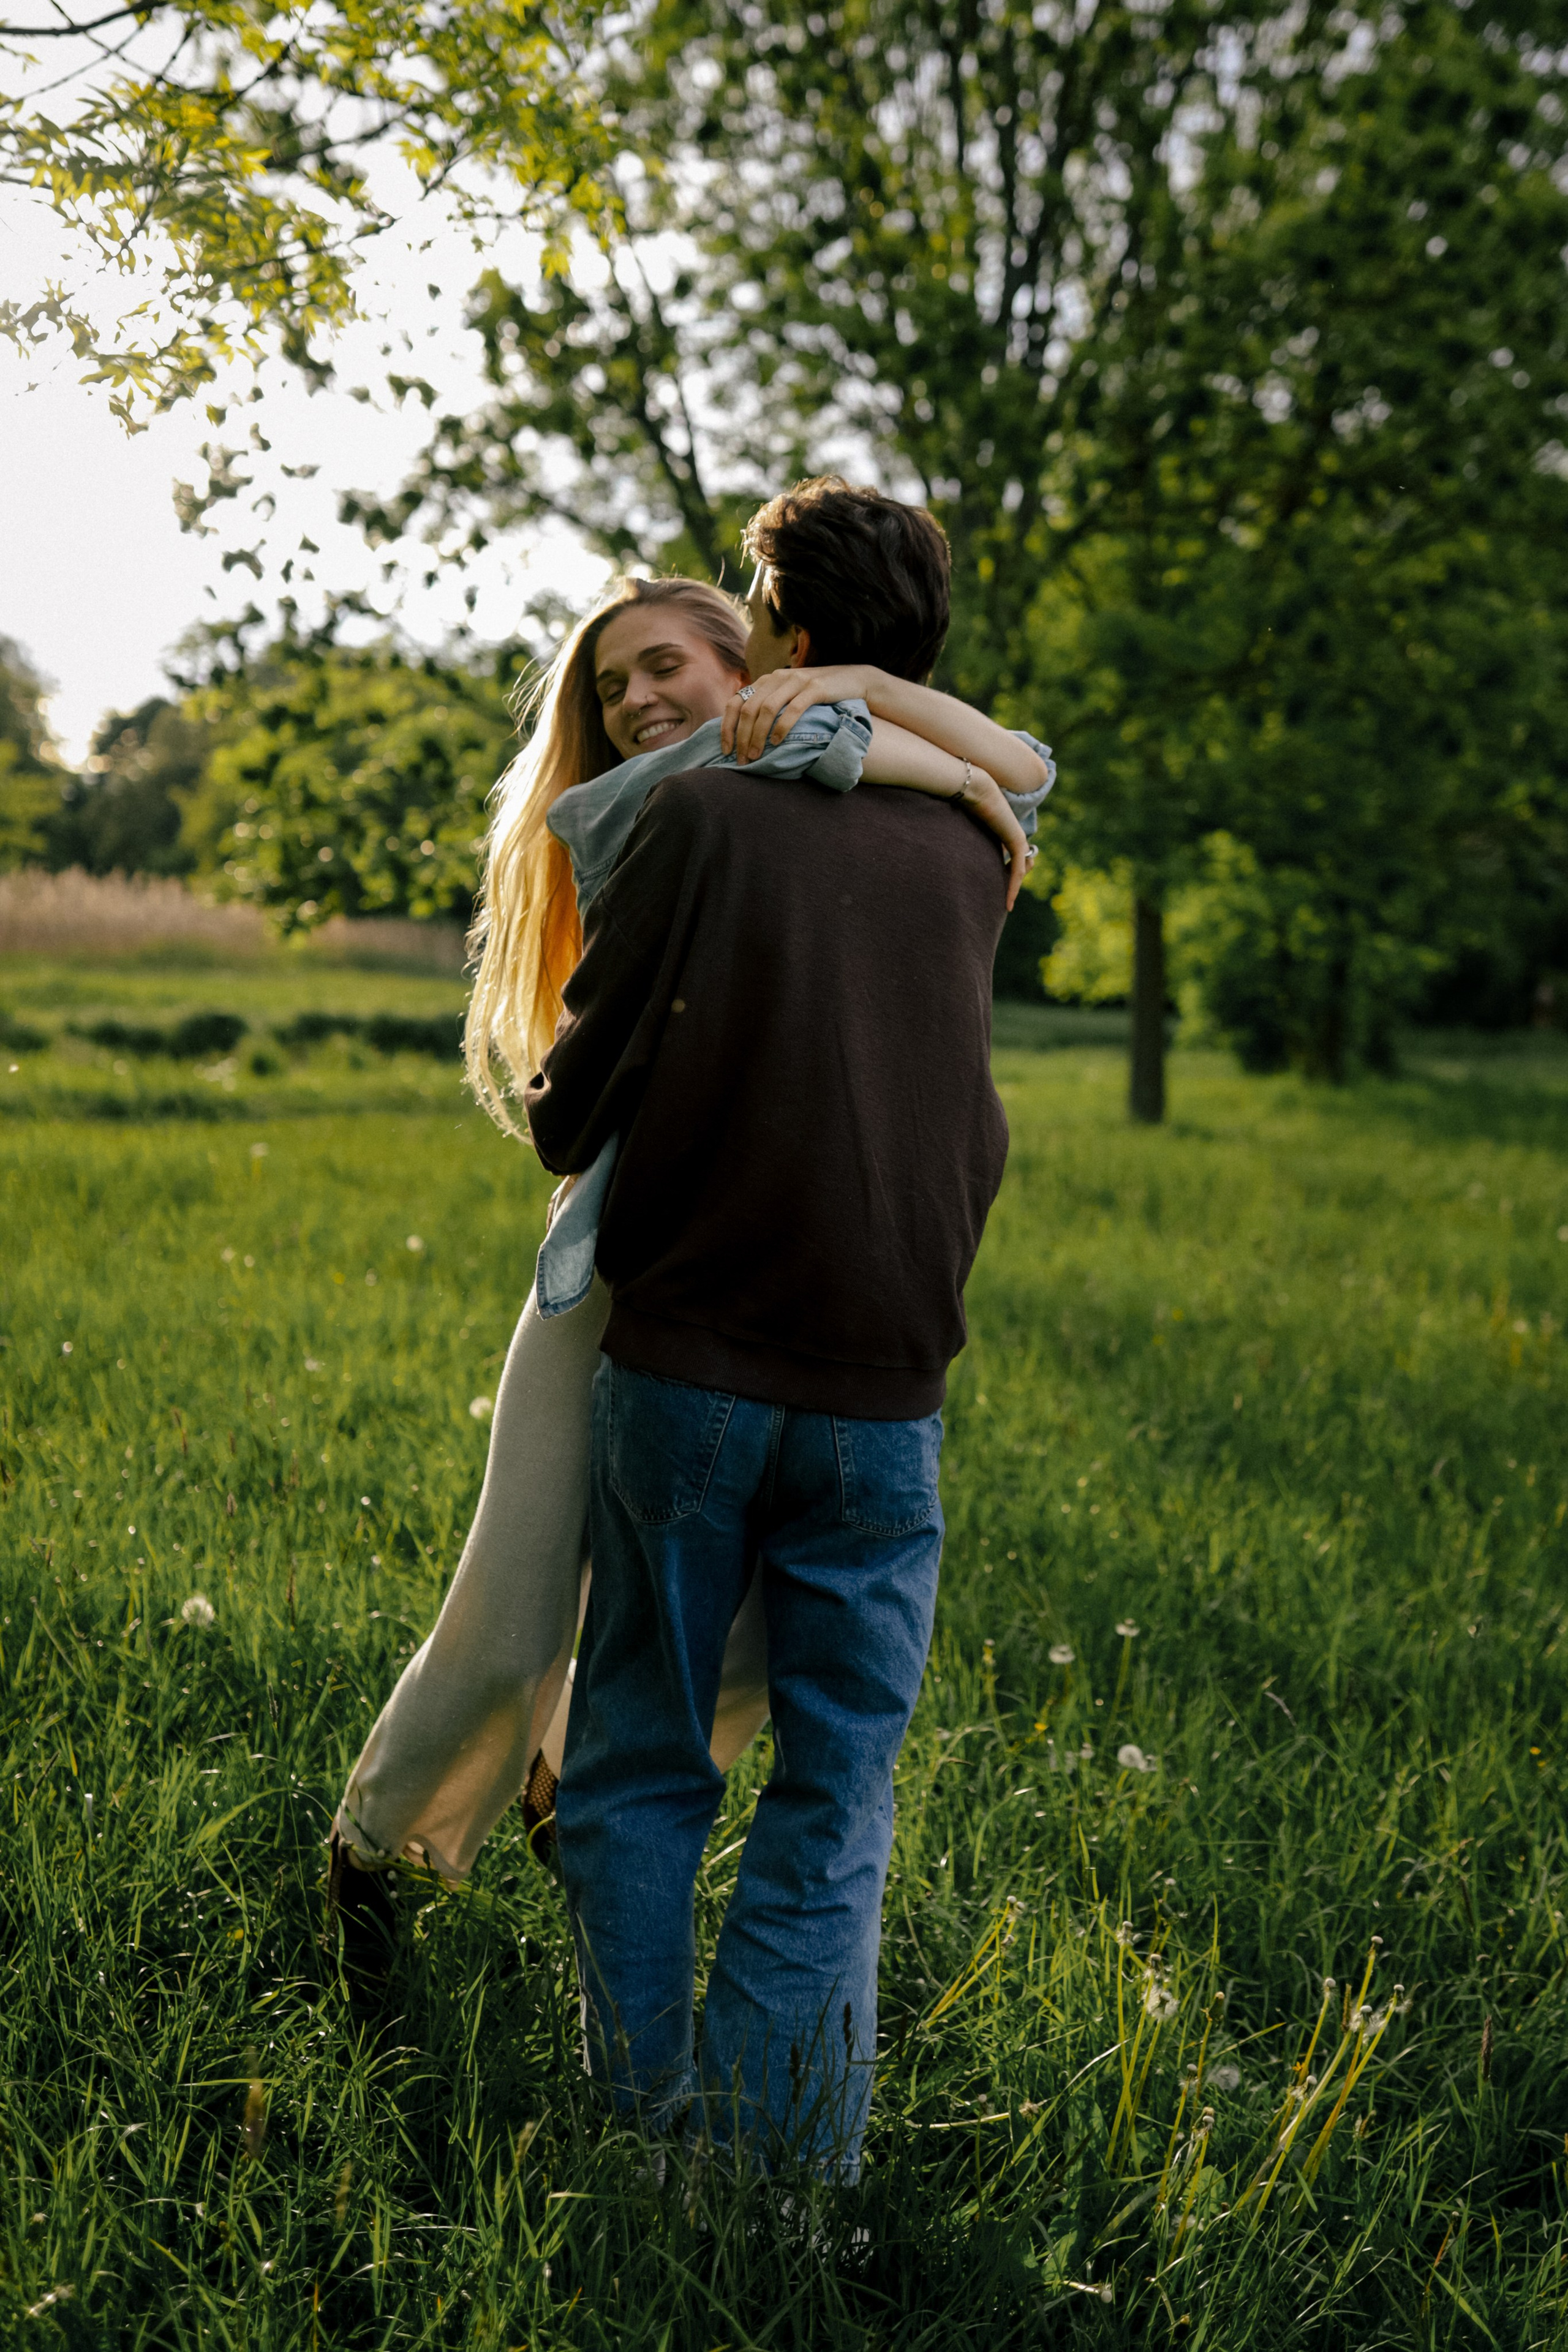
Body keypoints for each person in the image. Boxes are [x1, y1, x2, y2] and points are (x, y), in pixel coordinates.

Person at [324, 489, 1052, 1978]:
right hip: (627, 1268)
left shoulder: (828, 783)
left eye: (667, 664)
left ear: (751, 661)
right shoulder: (672, 801)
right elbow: (984, 767)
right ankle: (385, 1838)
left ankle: (573, 1781)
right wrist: (951, 769)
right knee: (515, 1600)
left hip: (776, 1278)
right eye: (611, 687)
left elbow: (984, 765)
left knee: (740, 1633)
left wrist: (887, 719)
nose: (638, 700)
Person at [526, 477, 1021, 2179]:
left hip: (697, 1362)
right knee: (836, 1786)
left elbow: (569, 1104)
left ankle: (643, 2135)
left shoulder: (698, 818)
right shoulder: (980, 841)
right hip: (892, 1381)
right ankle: (766, 2171)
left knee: (643, 1760)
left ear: (788, 636)